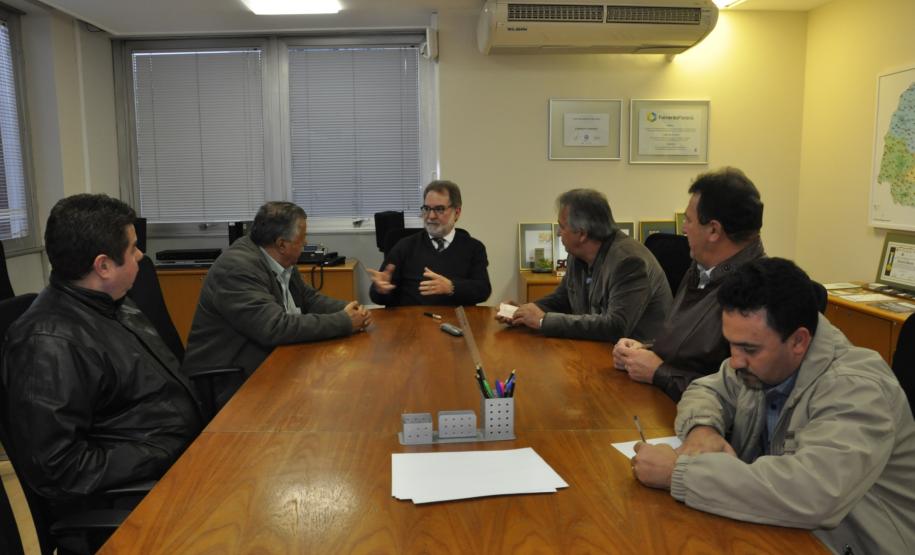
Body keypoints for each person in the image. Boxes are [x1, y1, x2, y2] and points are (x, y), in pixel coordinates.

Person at [631, 258, 915, 554]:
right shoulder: (758, 364)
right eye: (731, 343)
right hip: (778, 530)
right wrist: (702, 428)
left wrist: (679, 473)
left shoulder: (858, 389)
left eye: (749, 348)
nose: (735, 360)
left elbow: (814, 493)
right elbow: (706, 389)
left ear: (799, 342)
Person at [0, 194, 203, 523]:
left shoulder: (113, 303)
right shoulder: (47, 344)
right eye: (134, 249)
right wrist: (165, 449)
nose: (141, 256)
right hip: (129, 504)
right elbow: (60, 470)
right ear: (103, 265)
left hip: (174, 469)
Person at [182, 201, 371, 403]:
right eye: (302, 238)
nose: (306, 242)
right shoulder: (237, 268)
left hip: (270, 361)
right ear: (282, 244)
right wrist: (344, 321)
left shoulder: (278, 259)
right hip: (230, 379)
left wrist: (349, 309)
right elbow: (274, 327)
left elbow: (308, 298)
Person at [613, 167, 765, 401]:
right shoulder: (700, 269)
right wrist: (644, 350)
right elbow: (687, 345)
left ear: (713, 230)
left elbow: (740, 398)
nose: (683, 229)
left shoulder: (756, 294)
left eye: (689, 220)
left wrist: (659, 372)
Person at [498, 189, 671, 342]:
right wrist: (526, 312)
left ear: (581, 234)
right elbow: (563, 298)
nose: (558, 233)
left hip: (635, 359)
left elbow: (616, 327)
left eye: (562, 227)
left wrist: (543, 321)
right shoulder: (578, 254)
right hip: (598, 350)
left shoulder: (629, 262)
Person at [368, 180, 491, 306]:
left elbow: (483, 290)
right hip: (412, 321)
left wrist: (452, 287)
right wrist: (380, 290)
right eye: (427, 208)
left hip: (455, 321)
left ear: (457, 213)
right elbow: (378, 296)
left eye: (439, 209)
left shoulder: (474, 248)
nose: (431, 216)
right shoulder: (404, 246)